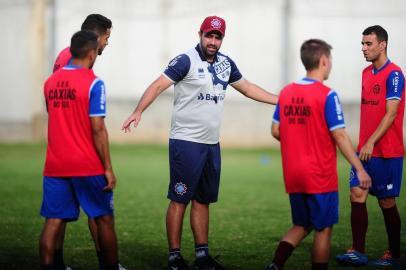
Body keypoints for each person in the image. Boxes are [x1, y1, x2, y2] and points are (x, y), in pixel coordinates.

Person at [122, 15, 278, 270]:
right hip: (186, 143)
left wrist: (280, 99)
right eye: (209, 35)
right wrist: (139, 110)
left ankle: (202, 256)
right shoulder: (186, 60)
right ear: (200, 34)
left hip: (211, 144)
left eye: (218, 37)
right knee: (180, 198)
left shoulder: (226, 64)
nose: (213, 41)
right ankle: (174, 256)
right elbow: (158, 85)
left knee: (203, 200)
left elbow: (248, 88)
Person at [266, 39, 371, 270]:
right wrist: (360, 168)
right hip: (319, 175)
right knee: (323, 230)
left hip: (293, 173)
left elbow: (275, 130)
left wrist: (298, 141)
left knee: (302, 224)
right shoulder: (327, 95)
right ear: (323, 61)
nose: (331, 64)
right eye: (330, 59)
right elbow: (340, 136)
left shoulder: (286, 92)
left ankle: (275, 265)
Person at [39, 30, 120, 270]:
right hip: (87, 165)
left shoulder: (50, 82)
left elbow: (51, 114)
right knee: (104, 220)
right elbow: (98, 128)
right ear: (92, 53)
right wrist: (108, 168)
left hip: (55, 165)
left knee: (52, 222)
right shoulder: (94, 83)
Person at [336, 25, 405, 267]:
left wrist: (371, 141)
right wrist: (364, 143)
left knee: (386, 202)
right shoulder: (366, 73)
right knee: (357, 193)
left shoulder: (395, 74)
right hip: (364, 151)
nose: (364, 49)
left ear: (382, 45)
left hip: (387, 152)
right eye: (362, 44)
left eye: (368, 44)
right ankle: (358, 251)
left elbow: (391, 114)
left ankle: (394, 255)